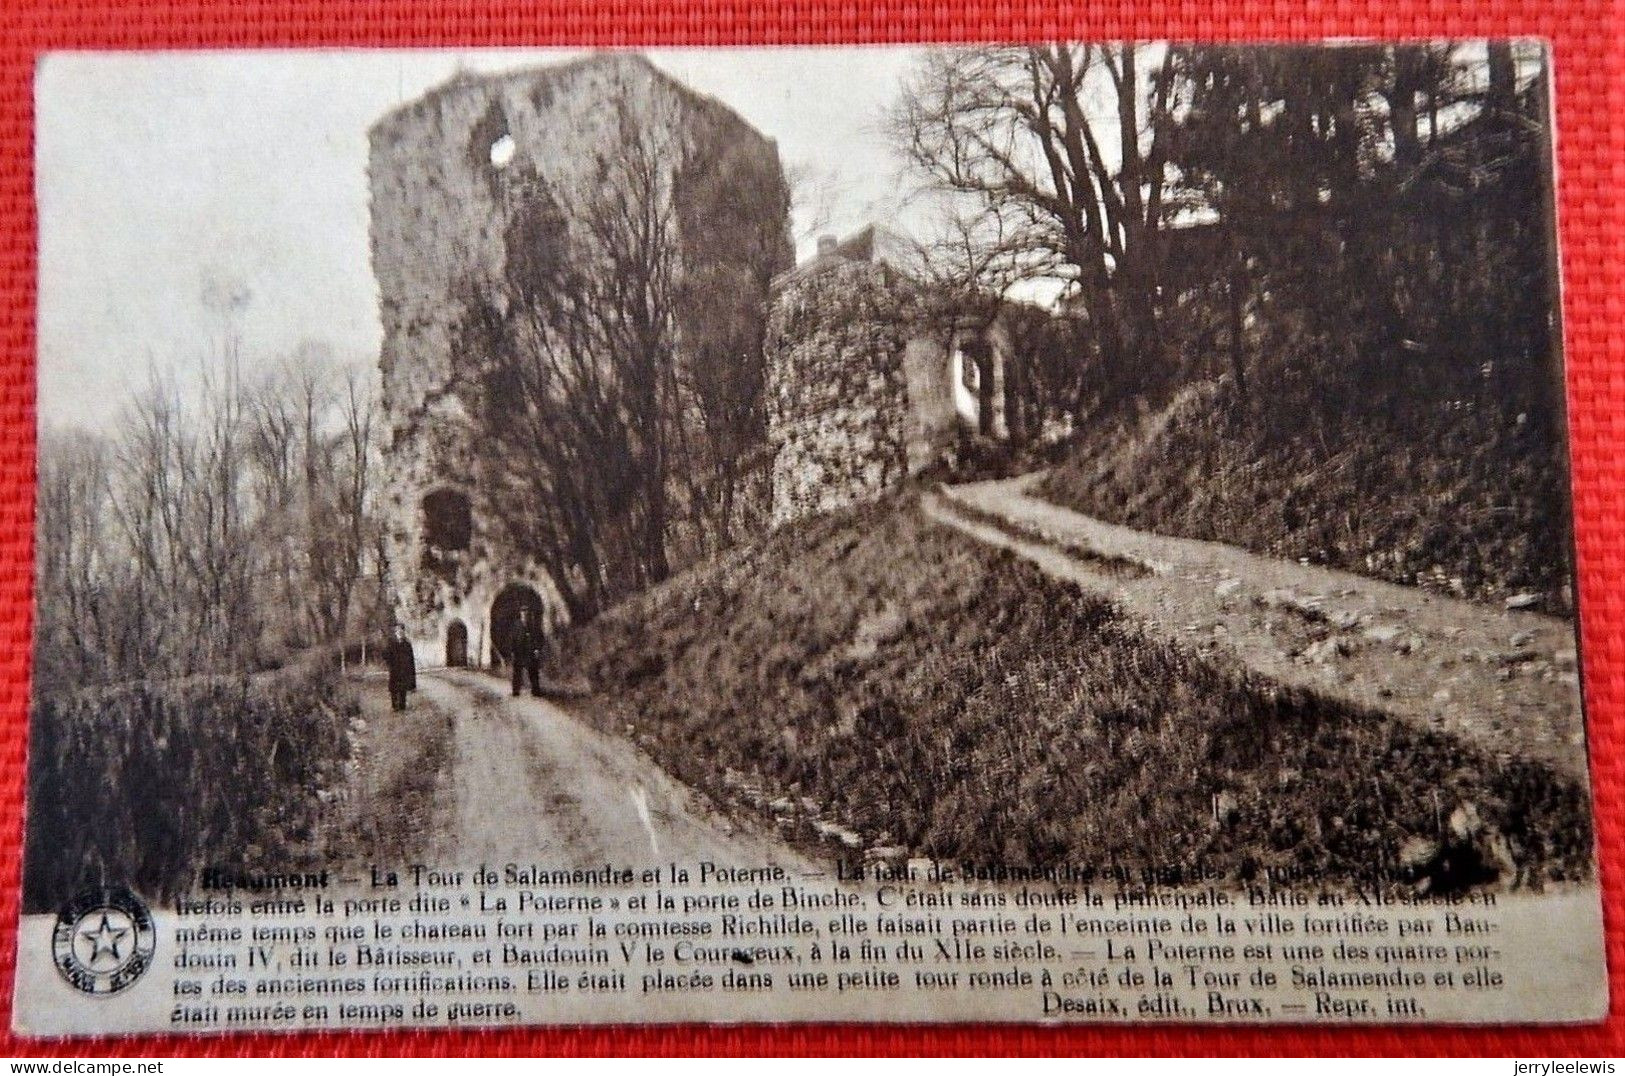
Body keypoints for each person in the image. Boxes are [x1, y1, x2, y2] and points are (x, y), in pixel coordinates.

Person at [510, 607, 544, 699]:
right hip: (519, 651)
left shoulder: (533, 626)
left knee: (533, 671)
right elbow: (512, 639)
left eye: (526, 612)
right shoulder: (516, 625)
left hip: (530, 651)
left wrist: (537, 649)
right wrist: (512, 651)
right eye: (523, 612)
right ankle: (515, 691)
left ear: (529, 614)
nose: (525, 614)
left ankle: (536, 690)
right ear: (520, 614)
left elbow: (540, 638)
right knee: (517, 671)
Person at [385, 625, 416, 712]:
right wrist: (390, 664)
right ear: (395, 632)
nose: (400, 633)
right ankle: (394, 706)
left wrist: (410, 671)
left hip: (404, 670)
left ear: (403, 632)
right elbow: (386, 655)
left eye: (401, 631)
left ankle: (402, 706)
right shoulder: (391, 643)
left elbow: (411, 659)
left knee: (403, 689)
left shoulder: (407, 644)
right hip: (394, 670)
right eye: (398, 631)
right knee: (394, 689)